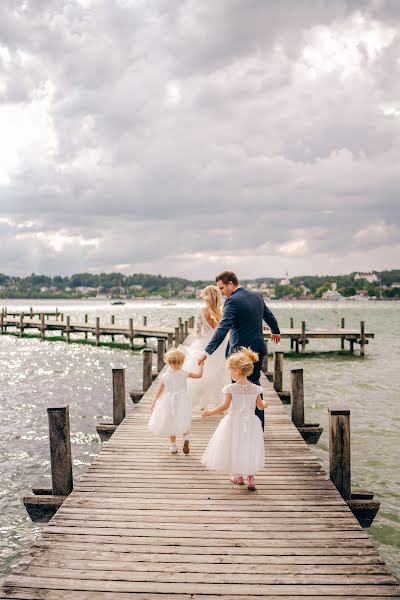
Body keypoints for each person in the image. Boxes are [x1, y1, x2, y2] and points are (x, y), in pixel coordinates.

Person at [198, 271, 281, 429]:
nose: (221, 293)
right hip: (257, 350)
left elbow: (223, 328)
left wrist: (206, 352)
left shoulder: (232, 301)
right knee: (255, 387)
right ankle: (258, 428)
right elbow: (269, 315)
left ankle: (239, 428)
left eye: (222, 288)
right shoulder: (257, 296)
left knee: (236, 390)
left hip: (238, 354)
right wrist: (275, 331)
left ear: (230, 284)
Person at [201, 348, 266, 490]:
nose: (229, 373)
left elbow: (224, 407)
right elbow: (260, 407)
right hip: (251, 423)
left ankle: (238, 476)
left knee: (235, 445)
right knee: (248, 447)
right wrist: (265, 403)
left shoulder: (230, 388)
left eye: (230, 370)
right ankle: (251, 478)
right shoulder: (255, 389)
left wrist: (210, 412)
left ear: (236, 370)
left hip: (233, 422)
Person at [181, 285, 228, 410]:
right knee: (218, 373)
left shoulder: (201, 311)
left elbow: (197, 331)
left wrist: (202, 339)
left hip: (205, 344)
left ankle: (202, 402)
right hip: (221, 345)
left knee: (204, 372)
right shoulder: (224, 310)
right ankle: (218, 402)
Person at [148, 349, 203, 454]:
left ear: (169, 362)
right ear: (182, 362)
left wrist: (154, 402)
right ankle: (186, 438)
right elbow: (199, 375)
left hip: (169, 401)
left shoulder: (164, 376)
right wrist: (201, 365)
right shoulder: (184, 373)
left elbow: (159, 392)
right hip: (183, 400)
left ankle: (173, 446)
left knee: (170, 422)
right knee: (183, 420)